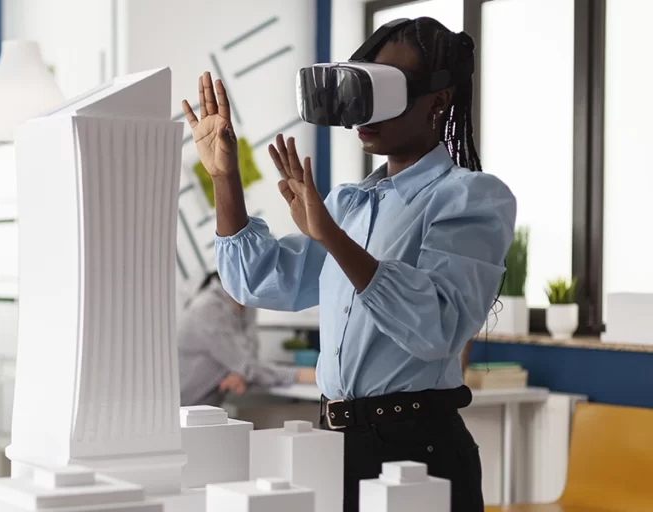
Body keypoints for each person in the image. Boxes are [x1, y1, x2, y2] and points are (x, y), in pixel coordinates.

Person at [181, 17, 513, 512]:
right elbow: (256, 279)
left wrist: (331, 237)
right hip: (334, 445)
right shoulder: (348, 203)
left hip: (416, 449)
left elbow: (438, 326)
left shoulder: (469, 197)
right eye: (361, 89)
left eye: (385, 91)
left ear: (438, 101)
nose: (363, 111)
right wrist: (224, 179)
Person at [178, 272, 316, 407]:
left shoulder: (246, 303)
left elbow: (248, 359)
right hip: (182, 409)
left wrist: (239, 373)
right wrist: (299, 374)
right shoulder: (208, 308)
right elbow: (248, 367)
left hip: (206, 409)